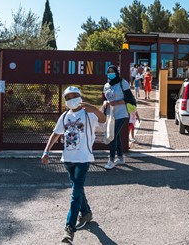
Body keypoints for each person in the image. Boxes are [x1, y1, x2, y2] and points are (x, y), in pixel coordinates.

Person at [42, 86, 106, 244]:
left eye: (74, 95)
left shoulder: (88, 113)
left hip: (83, 159)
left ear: (80, 96)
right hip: (68, 159)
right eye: (68, 97)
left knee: (75, 192)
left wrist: (94, 109)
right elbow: (56, 133)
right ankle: (86, 212)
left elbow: (103, 120)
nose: (71, 99)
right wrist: (46, 151)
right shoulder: (65, 116)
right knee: (77, 188)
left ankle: (69, 229)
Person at [103, 65, 136, 169]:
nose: (110, 73)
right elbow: (105, 98)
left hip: (121, 113)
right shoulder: (106, 85)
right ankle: (121, 158)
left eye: (112, 71)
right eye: (109, 71)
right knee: (115, 135)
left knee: (112, 135)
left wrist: (116, 103)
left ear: (116, 72)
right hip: (111, 114)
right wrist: (105, 103)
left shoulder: (123, 82)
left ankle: (111, 159)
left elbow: (130, 98)